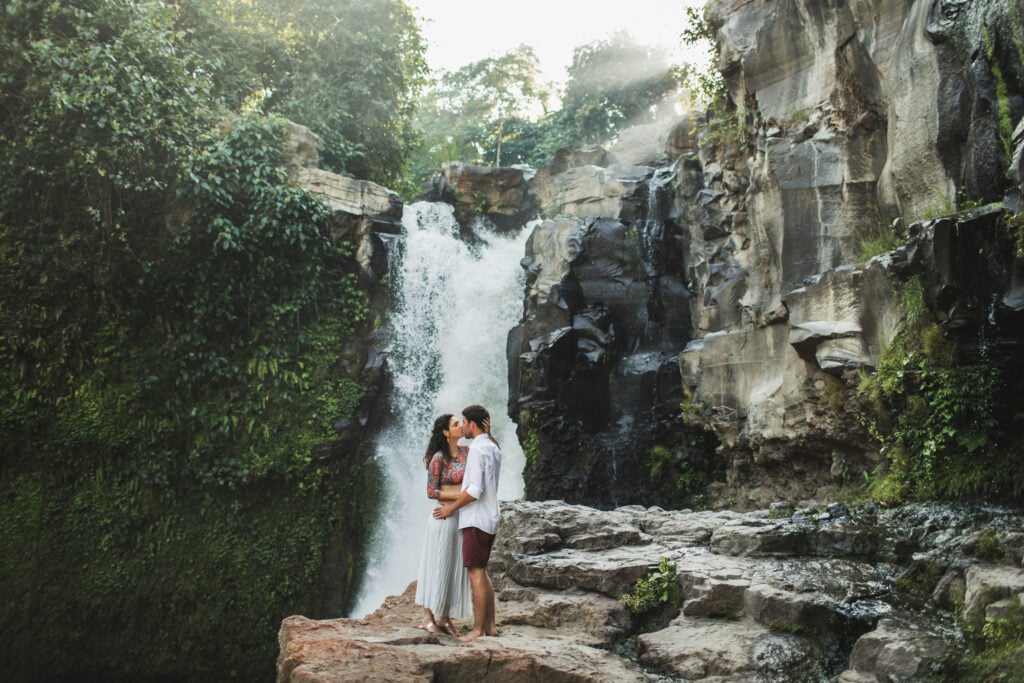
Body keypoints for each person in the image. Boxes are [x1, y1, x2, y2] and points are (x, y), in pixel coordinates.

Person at [433, 404, 502, 643]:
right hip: (491, 516)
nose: (463, 427)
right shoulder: (493, 446)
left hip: (476, 518)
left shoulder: (476, 450)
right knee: (482, 571)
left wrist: (449, 509)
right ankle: (491, 626)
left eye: (464, 422)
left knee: (475, 574)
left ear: (473, 424)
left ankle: (478, 629)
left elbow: (474, 490)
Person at [414, 413, 471, 636]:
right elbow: (431, 492)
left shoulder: (466, 452)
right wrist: (461, 495)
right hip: (442, 517)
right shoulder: (438, 458)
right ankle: (428, 617)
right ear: (446, 433)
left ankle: (445, 618)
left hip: (460, 516)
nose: (461, 426)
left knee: (452, 565)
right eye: (456, 424)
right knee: (435, 564)